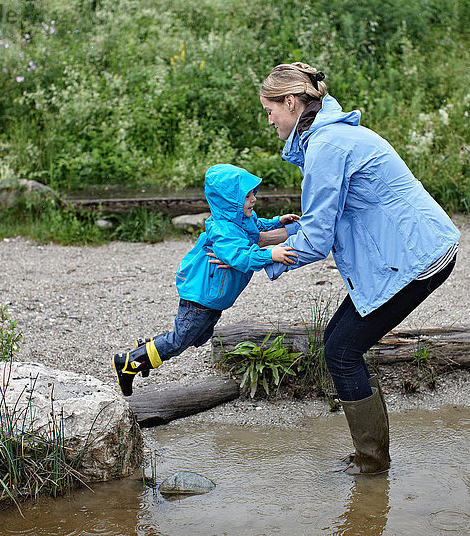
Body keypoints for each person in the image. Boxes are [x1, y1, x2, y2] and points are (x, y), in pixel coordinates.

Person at [255, 62, 460, 474]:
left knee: (342, 351)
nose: (271, 119)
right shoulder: (328, 138)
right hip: (409, 251)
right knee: (338, 342)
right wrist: (254, 241)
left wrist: (254, 260)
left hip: (416, 257)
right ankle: (372, 457)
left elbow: (315, 241)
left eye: (270, 110)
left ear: (290, 102)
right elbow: (320, 225)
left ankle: (372, 467)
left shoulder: (327, 147)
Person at [112, 163, 300, 397]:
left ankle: (146, 348)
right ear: (229, 201)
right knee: (180, 341)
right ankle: (130, 362)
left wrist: (277, 221)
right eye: (247, 196)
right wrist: (270, 254)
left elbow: (256, 227)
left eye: (253, 194)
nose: (253, 200)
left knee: (197, 336)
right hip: (202, 296)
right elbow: (240, 257)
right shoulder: (223, 231)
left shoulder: (240, 218)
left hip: (213, 297)